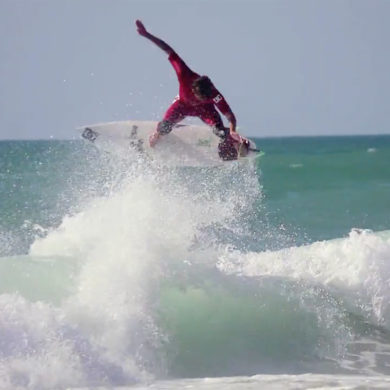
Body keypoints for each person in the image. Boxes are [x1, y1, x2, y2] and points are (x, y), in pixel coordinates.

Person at [135, 20, 249, 160]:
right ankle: (157, 135)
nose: (201, 99)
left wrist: (232, 130)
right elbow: (168, 50)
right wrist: (147, 35)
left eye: (206, 98)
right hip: (182, 106)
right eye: (201, 97)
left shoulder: (214, 95)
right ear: (194, 89)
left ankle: (238, 144)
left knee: (220, 131)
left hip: (206, 110)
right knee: (164, 127)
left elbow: (229, 115)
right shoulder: (185, 74)